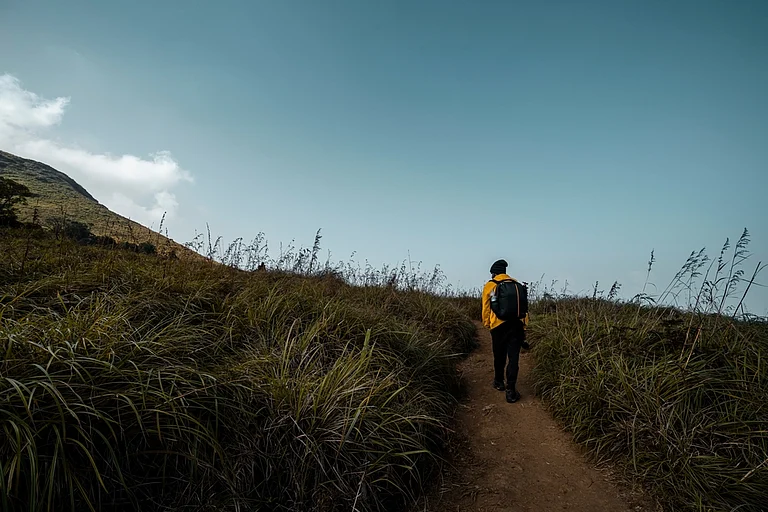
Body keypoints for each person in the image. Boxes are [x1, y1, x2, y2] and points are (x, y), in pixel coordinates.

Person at [481, 259, 529, 404]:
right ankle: (511, 391)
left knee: (499, 355)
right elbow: (524, 308)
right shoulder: (518, 285)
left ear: (493, 273)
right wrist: (524, 326)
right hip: (517, 326)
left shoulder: (490, 285)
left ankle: (499, 382)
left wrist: (487, 324)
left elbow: (486, 307)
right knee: (513, 358)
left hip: (498, 326)